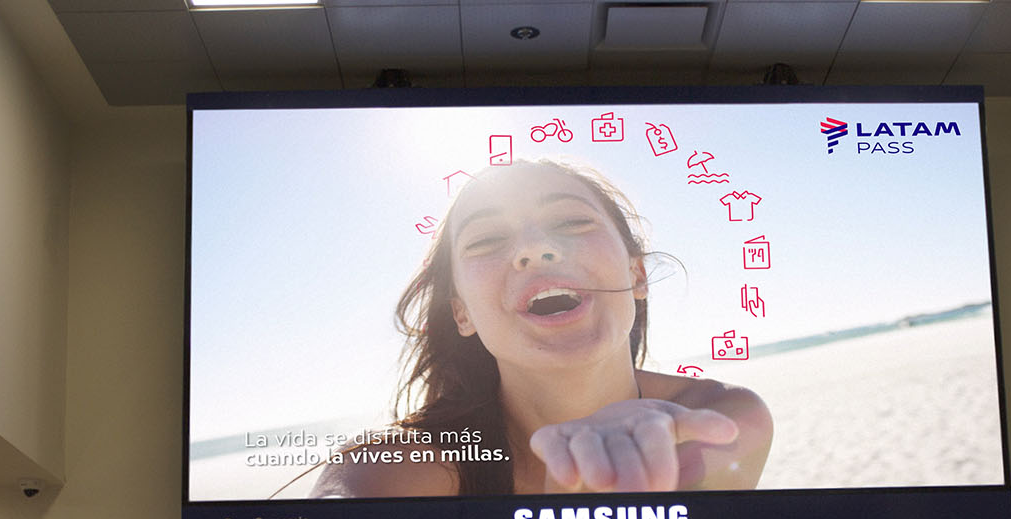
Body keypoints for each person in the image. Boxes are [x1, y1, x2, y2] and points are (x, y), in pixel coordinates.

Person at [312, 159, 773, 499]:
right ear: (462, 314)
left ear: (637, 275)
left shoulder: (720, 419)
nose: (536, 247)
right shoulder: (389, 473)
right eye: (488, 239)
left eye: (572, 221)